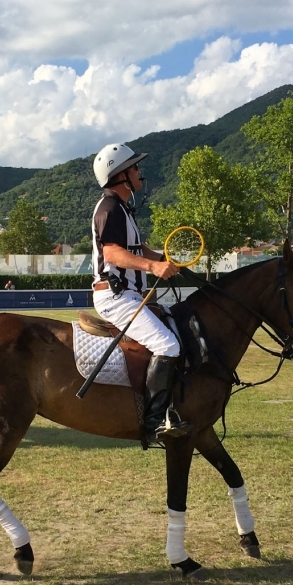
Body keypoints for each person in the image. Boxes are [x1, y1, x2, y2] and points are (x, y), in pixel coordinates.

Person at [90, 142, 188, 441]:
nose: (138, 172)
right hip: (116, 297)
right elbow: (113, 254)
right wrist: (152, 267)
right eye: (134, 167)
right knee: (168, 346)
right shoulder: (110, 208)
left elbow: (135, 248)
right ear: (120, 175)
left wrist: (160, 259)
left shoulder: (122, 208)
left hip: (129, 294)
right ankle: (154, 421)